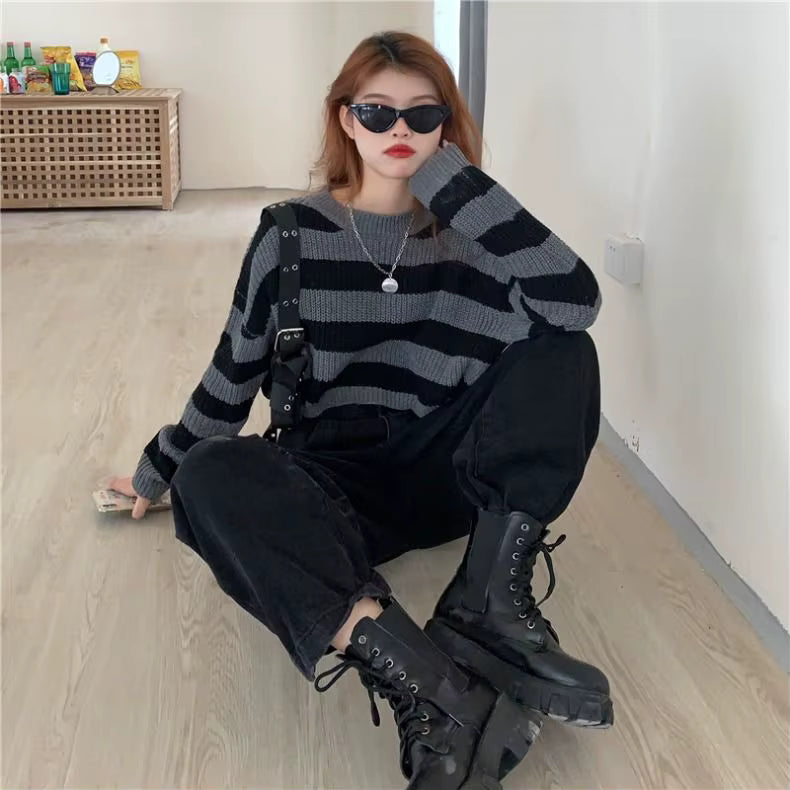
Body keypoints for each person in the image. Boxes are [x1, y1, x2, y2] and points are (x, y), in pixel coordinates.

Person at [109, 30, 613, 790]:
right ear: (346, 119)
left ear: (447, 125)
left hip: (444, 473)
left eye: (423, 114)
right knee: (209, 475)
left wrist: (453, 183)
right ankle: (433, 688)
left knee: (565, 352)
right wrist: (159, 470)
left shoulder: (477, 240)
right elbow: (233, 370)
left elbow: (574, 304)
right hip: (326, 480)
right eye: (377, 113)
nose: (398, 130)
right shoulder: (290, 235)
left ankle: (489, 609)